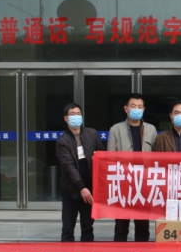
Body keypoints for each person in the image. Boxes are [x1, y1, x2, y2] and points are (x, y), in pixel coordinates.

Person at [109, 93, 157, 242]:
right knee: (121, 226)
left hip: (143, 184)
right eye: (133, 106)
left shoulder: (151, 129)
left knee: (143, 226)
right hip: (123, 183)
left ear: (144, 109)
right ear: (126, 108)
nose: (137, 109)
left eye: (140, 106)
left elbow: (157, 157)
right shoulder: (115, 129)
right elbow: (110, 158)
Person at [57, 103, 104, 242]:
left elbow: (101, 152)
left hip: (90, 187)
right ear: (66, 118)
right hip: (71, 189)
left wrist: (98, 154)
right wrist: (81, 187)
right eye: (72, 114)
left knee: (88, 228)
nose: (76, 117)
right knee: (68, 229)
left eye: (78, 114)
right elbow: (69, 167)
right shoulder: (62, 141)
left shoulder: (92, 134)